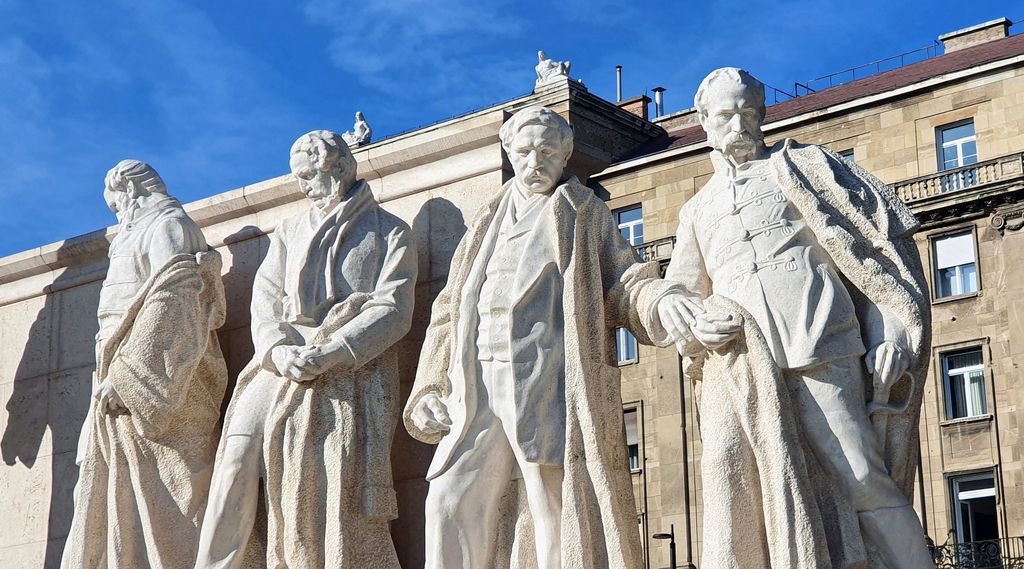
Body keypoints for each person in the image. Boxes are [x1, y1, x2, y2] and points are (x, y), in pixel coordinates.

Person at [654, 67, 933, 568]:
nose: (737, 124)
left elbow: (868, 263)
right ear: (704, 122)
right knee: (733, 478)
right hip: (739, 363)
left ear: (761, 116)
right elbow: (681, 287)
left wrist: (889, 330)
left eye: (747, 113)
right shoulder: (697, 209)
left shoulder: (805, 170)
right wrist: (692, 319)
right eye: (725, 115)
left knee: (861, 475)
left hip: (821, 339)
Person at [405, 106, 677, 569]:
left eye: (548, 152)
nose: (536, 162)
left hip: (545, 379)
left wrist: (664, 302)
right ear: (509, 152)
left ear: (566, 156)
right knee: (447, 501)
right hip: (476, 384)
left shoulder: (583, 213)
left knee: (553, 506)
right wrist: (429, 385)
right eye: (526, 151)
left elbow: (625, 280)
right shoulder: (484, 224)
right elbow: (448, 311)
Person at [194, 130, 416, 569]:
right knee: (235, 458)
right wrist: (277, 351)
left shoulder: (391, 232)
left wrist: (332, 352)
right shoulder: (290, 229)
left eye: (311, 174)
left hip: (342, 367)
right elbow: (265, 298)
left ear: (340, 167)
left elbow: (393, 309)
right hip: (276, 364)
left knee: (319, 478)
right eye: (299, 177)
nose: (305, 185)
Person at [62, 160, 228, 568]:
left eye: (117, 206)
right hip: (117, 367)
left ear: (132, 191)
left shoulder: (168, 224)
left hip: (158, 377)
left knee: (173, 489)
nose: (119, 216)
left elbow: (177, 292)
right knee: (116, 493)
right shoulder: (136, 234)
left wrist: (131, 375)